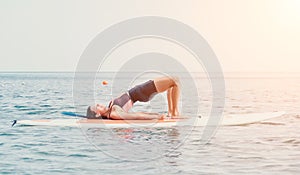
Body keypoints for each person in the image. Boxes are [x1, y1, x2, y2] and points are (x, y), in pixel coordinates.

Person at [86, 76, 180, 120]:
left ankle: (172, 112)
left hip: (139, 91)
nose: (98, 104)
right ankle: (174, 112)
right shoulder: (114, 113)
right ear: (98, 114)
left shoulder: (111, 109)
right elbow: (136, 116)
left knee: (173, 83)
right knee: (174, 81)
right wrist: (158, 116)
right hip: (142, 92)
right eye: (96, 107)